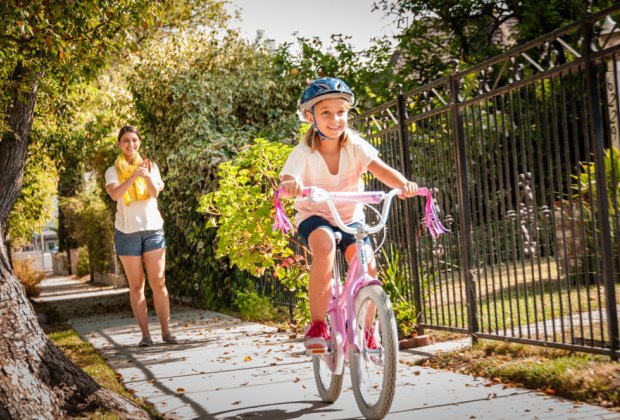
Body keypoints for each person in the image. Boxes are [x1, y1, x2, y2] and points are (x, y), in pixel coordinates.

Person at [278, 77, 418, 352]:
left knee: (367, 263)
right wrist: (290, 185)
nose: (335, 119)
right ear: (310, 117)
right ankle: (318, 325)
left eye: (341, 112)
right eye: (326, 112)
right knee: (326, 245)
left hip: (350, 218)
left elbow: (381, 169)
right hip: (315, 217)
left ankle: (368, 332)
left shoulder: (354, 145)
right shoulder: (303, 152)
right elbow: (287, 178)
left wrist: (402, 184)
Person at [105, 125, 177, 347]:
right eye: (126, 141)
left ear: (139, 142)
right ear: (119, 144)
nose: (130, 144)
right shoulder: (112, 171)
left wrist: (144, 176)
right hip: (127, 233)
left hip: (153, 229)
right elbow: (115, 194)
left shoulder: (151, 166)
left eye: (134, 140)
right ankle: (146, 336)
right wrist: (132, 177)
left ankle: (166, 333)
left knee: (158, 282)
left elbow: (154, 192)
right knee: (136, 285)